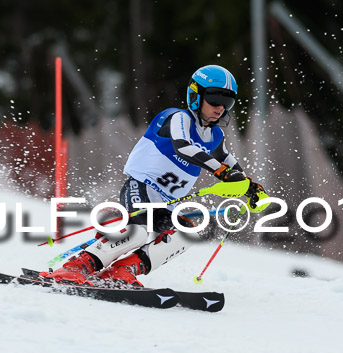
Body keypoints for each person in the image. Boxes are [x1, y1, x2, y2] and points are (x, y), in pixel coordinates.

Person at [45, 65, 266, 286]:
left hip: (167, 202)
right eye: (215, 99)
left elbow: (228, 162)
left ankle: (123, 270)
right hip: (142, 187)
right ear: (196, 95)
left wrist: (250, 186)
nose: (220, 108)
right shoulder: (178, 117)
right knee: (138, 233)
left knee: (187, 234)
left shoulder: (215, 135)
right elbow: (183, 146)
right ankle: (76, 266)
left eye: (227, 102)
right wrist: (221, 172)